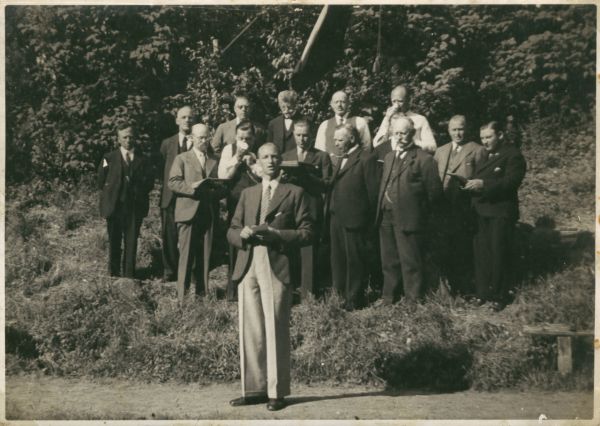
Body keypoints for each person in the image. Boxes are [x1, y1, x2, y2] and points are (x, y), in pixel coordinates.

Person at [227, 143, 313, 411]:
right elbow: (231, 228)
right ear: (257, 163)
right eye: (265, 157)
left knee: (275, 328)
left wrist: (279, 235)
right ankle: (254, 389)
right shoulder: (248, 193)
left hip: (277, 262)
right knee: (250, 328)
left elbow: (308, 232)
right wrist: (239, 235)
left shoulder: (295, 193)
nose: (270, 161)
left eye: (275, 156)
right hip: (248, 262)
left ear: (281, 161)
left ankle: (277, 392)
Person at [375, 116, 442, 304]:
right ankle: (389, 297)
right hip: (386, 216)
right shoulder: (389, 157)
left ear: (412, 134)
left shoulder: (424, 159)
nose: (399, 137)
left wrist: (420, 215)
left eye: (403, 133)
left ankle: (413, 300)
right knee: (389, 260)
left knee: (410, 260)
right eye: (396, 133)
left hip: (409, 217)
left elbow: (434, 194)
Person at [463, 121, 526, 308]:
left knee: (499, 253)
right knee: (482, 253)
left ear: (500, 135)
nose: (485, 141)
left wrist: (484, 184)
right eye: (482, 138)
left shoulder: (513, 155)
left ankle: (499, 296)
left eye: (489, 137)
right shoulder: (484, 155)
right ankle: (482, 292)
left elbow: (511, 182)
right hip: (481, 210)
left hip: (500, 211)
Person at [168, 123, 225, 304]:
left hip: (207, 214)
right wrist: (193, 189)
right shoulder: (182, 158)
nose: (204, 141)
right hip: (188, 214)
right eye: (200, 137)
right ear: (191, 138)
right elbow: (173, 182)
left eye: (207, 137)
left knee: (205, 258)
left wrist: (215, 190)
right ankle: (182, 299)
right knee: (186, 257)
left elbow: (223, 187)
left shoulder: (215, 160)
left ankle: (202, 297)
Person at [327, 123, 379, 310]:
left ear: (352, 138)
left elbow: (373, 193)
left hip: (355, 219)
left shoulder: (367, 158)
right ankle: (340, 296)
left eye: (340, 139)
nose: (336, 143)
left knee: (354, 260)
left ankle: (354, 299)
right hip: (336, 217)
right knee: (339, 259)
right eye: (334, 140)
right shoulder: (340, 158)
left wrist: (367, 221)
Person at [432, 115, 487, 295]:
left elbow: (482, 179)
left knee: (462, 248)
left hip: (464, 208)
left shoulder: (477, 150)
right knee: (443, 247)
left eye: (461, 129)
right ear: (448, 131)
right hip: (443, 208)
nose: (458, 133)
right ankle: (446, 288)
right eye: (454, 130)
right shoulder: (440, 151)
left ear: (467, 129)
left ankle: (464, 289)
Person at [282, 118, 332, 300]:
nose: (302, 139)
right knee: (289, 247)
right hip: (290, 207)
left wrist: (307, 176)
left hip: (311, 206)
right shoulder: (286, 155)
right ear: (293, 135)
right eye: (298, 135)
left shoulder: (321, 156)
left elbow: (327, 184)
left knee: (309, 248)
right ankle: (290, 288)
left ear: (311, 136)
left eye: (305, 136)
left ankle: (308, 292)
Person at [98, 123, 153, 278]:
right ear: (118, 139)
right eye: (125, 137)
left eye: (131, 137)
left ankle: (129, 276)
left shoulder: (144, 159)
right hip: (115, 207)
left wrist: (137, 191)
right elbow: (101, 180)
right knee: (114, 241)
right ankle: (114, 274)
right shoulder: (108, 158)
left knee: (131, 242)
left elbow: (149, 182)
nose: (128, 140)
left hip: (134, 208)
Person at [218, 120, 263, 301]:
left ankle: (252, 288)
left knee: (254, 241)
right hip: (235, 201)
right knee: (235, 242)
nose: (245, 141)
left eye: (248, 138)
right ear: (235, 136)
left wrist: (252, 163)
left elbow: (264, 176)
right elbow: (223, 175)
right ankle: (233, 290)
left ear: (254, 138)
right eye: (241, 137)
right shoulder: (229, 150)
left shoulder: (260, 152)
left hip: (255, 201)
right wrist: (237, 158)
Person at [159, 106, 195, 282]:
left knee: (191, 236)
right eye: (183, 117)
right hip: (170, 197)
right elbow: (161, 168)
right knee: (169, 235)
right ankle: (170, 271)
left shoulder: (199, 142)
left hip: (190, 196)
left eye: (190, 117)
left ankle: (191, 271)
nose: (187, 120)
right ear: (177, 120)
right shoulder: (167, 143)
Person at [372, 85, 437, 156]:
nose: (396, 105)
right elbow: (376, 144)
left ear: (409, 100)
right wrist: (387, 120)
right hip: (391, 159)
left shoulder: (420, 119)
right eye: (394, 101)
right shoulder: (388, 118)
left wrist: (412, 142)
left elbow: (433, 147)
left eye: (400, 101)